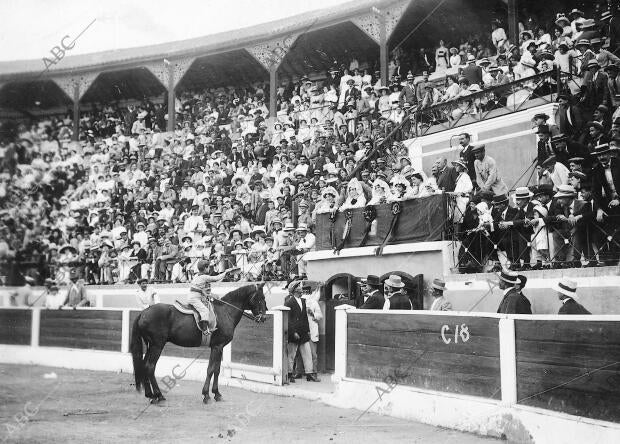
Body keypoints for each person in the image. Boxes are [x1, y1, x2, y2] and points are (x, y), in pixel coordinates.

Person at [187, 260, 235, 334]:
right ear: (205, 268)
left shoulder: (197, 275)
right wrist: (225, 272)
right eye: (208, 267)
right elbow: (216, 278)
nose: (209, 269)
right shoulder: (204, 277)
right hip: (195, 298)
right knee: (205, 311)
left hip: (194, 297)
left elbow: (205, 289)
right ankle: (205, 330)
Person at [285, 281, 319, 383]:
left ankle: (309, 374)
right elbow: (288, 320)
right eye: (299, 288)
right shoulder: (289, 302)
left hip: (303, 333)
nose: (301, 290)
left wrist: (308, 331)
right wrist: (293, 332)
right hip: (294, 334)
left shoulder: (304, 301)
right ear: (295, 290)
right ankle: (289, 374)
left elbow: (305, 318)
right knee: (291, 355)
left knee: (307, 354)